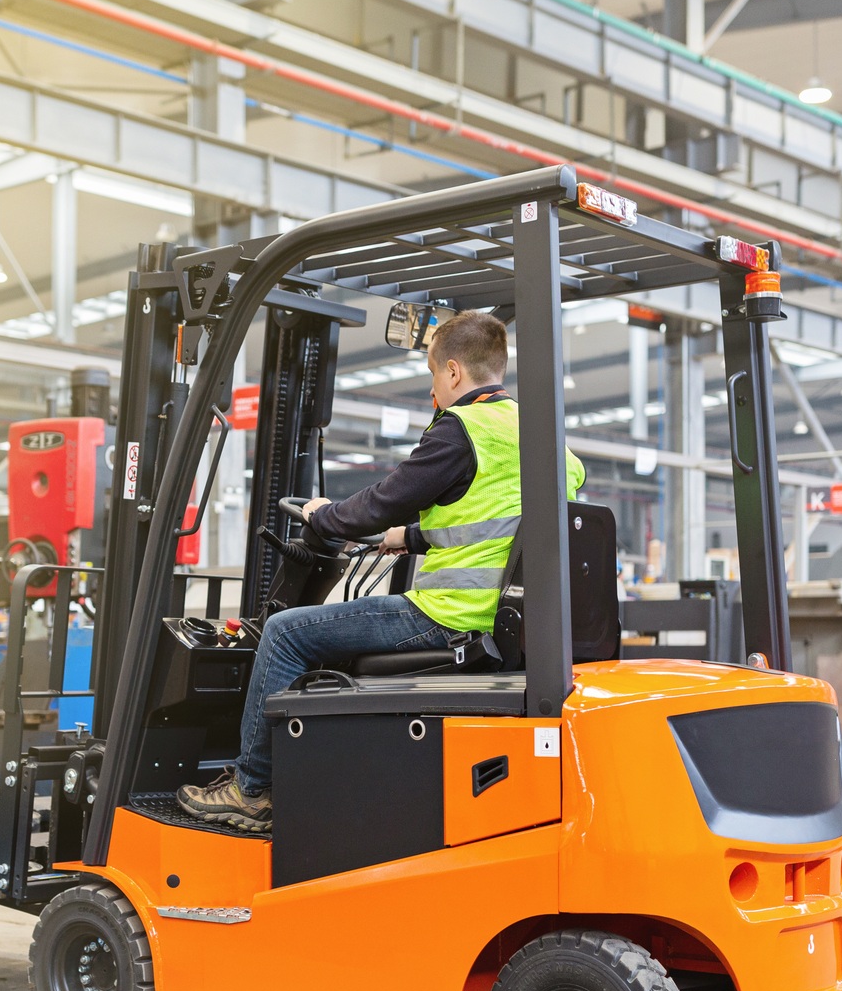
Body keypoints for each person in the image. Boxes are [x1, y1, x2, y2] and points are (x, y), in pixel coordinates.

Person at [176, 311, 586, 833]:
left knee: (283, 633)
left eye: (435, 376)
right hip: (506, 620)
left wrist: (323, 515)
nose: (436, 388)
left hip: (450, 615)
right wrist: (410, 537)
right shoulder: (541, 436)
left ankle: (250, 789)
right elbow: (508, 526)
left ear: (454, 372)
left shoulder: (461, 430)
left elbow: (380, 503)